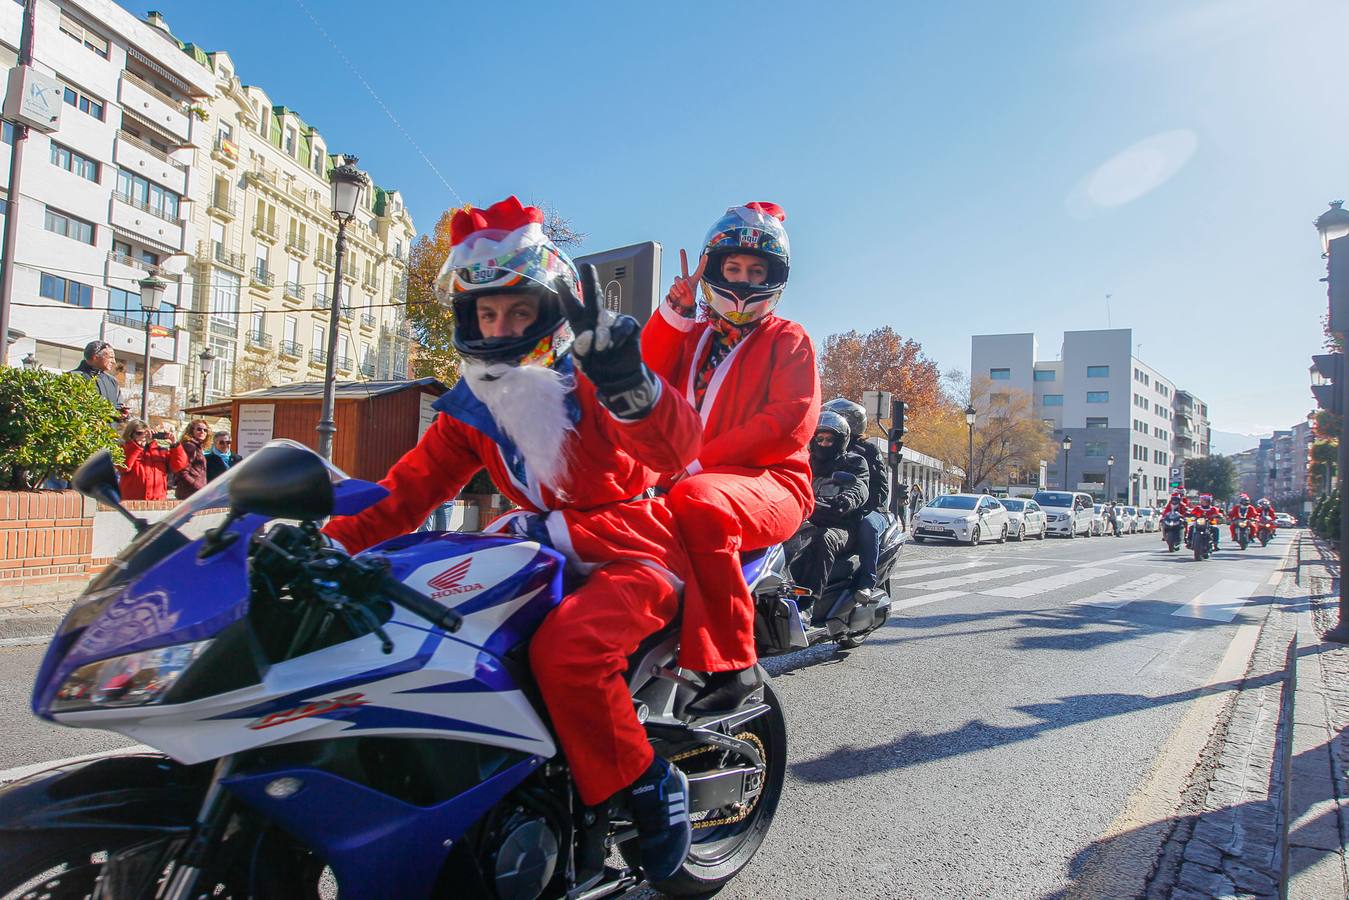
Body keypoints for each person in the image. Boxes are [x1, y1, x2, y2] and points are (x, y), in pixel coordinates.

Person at [322, 197, 702, 880]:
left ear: (549, 310)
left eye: (517, 311)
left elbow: (670, 447)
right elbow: (404, 493)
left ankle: (648, 783)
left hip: (632, 546)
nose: (500, 326)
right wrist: (324, 545)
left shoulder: (594, 375)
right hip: (532, 550)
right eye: (485, 313)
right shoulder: (473, 406)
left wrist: (627, 381)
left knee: (569, 653)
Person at [642, 200, 819, 714]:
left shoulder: (790, 338)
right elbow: (645, 382)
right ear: (713, 270)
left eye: (756, 271)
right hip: (688, 476)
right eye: (733, 268)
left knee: (700, 501)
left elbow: (790, 422)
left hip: (772, 482)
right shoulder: (692, 335)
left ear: (774, 277)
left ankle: (731, 665)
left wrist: (695, 464)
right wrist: (675, 306)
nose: (743, 280)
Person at [785, 410, 869, 623]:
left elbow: (860, 486)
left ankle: (807, 605)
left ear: (841, 441)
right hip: (805, 520)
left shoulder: (854, 463)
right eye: (819, 438)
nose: (823, 443)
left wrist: (846, 500)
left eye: (829, 439)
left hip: (841, 525)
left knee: (824, 539)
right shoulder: (805, 462)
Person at [822, 397, 889, 597]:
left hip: (868, 509)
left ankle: (866, 582)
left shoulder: (867, 450)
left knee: (867, 526)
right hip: (831, 506)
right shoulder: (824, 445)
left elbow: (879, 488)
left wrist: (857, 506)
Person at [69, 340, 127, 420]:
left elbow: (120, 406)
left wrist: (123, 414)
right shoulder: (72, 377)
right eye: (110, 357)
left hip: (109, 431)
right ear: (95, 357)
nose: (114, 362)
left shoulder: (112, 382)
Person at [117, 418, 170, 501]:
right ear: (130, 434)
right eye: (139, 433)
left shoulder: (156, 448)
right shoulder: (123, 448)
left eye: (145, 433)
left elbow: (177, 466)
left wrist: (175, 445)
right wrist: (137, 446)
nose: (143, 436)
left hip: (156, 499)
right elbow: (124, 467)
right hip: (132, 499)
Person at [170, 419, 210, 500]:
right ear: (192, 431)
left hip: (196, 493)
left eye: (205, 430)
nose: (202, 432)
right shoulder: (190, 446)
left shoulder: (198, 447)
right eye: (199, 429)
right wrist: (198, 487)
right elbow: (182, 472)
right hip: (189, 493)